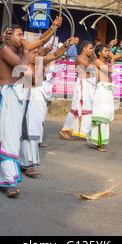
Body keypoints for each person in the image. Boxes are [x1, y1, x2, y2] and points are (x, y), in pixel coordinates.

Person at [0, 17, 62, 197]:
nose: (22, 38)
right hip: (5, 95)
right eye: (19, 35)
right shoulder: (3, 48)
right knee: (7, 137)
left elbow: (40, 41)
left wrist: (53, 27)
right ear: (9, 35)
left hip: (15, 94)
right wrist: (26, 51)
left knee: (6, 135)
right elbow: (22, 68)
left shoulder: (17, 46)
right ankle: (10, 179)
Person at [20, 38, 78, 177]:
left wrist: (65, 45)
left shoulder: (37, 61)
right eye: (34, 52)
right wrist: (41, 61)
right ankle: (26, 163)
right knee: (27, 131)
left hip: (37, 97)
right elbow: (34, 80)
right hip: (28, 97)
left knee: (35, 130)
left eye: (37, 52)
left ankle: (29, 162)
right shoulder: (24, 64)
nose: (37, 54)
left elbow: (54, 55)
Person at [86, 37, 122, 152]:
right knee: (100, 117)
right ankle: (98, 143)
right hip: (101, 90)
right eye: (106, 51)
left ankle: (100, 140)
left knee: (106, 117)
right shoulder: (97, 61)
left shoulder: (105, 60)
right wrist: (112, 59)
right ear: (99, 53)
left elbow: (121, 54)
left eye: (108, 51)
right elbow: (110, 71)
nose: (109, 52)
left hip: (108, 90)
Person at [60, 40, 96, 140]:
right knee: (76, 108)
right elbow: (91, 67)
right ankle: (65, 130)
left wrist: (94, 54)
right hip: (82, 84)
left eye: (92, 48)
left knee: (86, 109)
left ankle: (84, 131)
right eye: (90, 48)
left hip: (88, 84)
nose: (92, 50)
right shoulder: (80, 58)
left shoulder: (89, 57)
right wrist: (95, 57)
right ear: (84, 49)